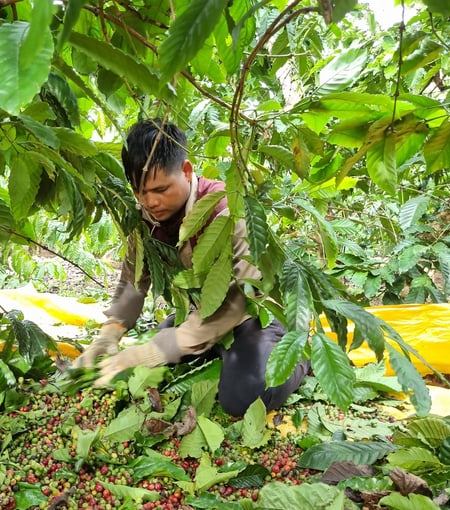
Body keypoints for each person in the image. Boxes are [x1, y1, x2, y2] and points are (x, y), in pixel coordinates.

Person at [73, 118, 310, 417]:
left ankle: (299, 355)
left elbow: (237, 300)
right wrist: (110, 332)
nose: (150, 201)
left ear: (186, 171)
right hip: (203, 311)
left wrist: (154, 351)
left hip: (253, 314)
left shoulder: (225, 211)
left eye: (160, 189)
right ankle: (215, 349)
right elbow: (134, 278)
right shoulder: (144, 216)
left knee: (245, 397)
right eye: (140, 191)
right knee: (161, 341)